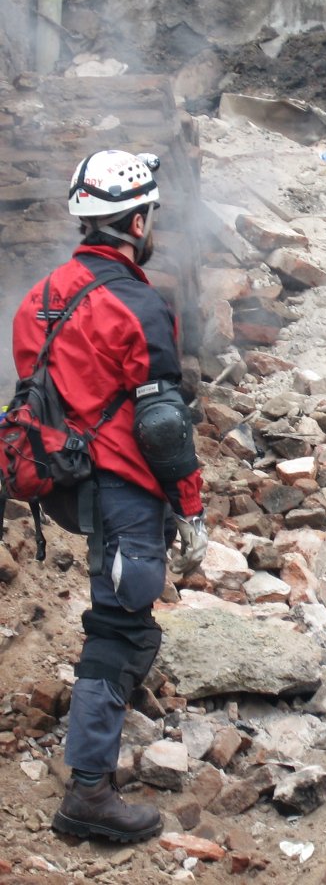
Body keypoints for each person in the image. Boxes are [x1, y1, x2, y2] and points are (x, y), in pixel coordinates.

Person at [11, 149, 208, 843]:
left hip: (70, 487)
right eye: (150, 215)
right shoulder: (135, 300)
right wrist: (190, 505)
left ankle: (109, 738)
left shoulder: (39, 299)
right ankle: (88, 792)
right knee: (121, 627)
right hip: (123, 486)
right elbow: (161, 422)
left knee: (123, 616)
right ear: (135, 219)